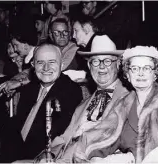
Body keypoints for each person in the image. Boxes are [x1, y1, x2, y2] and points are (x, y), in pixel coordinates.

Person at [68, 45, 158, 163]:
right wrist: (95, 157)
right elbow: (103, 136)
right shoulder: (123, 104)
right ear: (127, 75)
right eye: (135, 69)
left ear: (155, 74)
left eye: (146, 68)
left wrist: (129, 158)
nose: (140, 74)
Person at [44, 35, 129, 163]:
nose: (101, 67)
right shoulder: (82, 105)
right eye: (95, 61)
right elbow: (64, 138)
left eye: (107, 61)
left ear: (117, 65)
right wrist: (48, 155)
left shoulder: (127, 98)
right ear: (89, 66)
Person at [0, 44, 83, 163]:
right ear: (33, 65)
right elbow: (20, 128)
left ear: (61, 64)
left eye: (52, 62)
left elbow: (54, 136)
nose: (46, 68)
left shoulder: (70, 90)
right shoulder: (30, 88)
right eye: (40, 62)